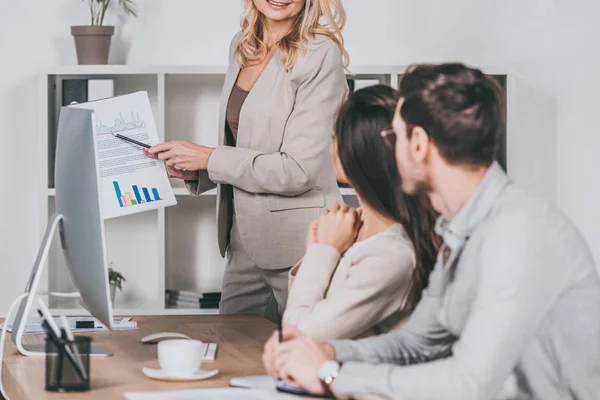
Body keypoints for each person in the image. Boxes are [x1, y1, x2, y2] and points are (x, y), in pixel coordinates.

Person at [263, 63, 600, 399]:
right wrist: (323, 353)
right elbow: (416, 343)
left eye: (394, 137)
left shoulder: (517, 234)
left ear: (419, 144)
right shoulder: (459, 231)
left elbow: (469, 385)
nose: (390, 152)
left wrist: (330, 374)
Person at [145, 0, 350, 323]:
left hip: (300, 243)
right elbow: (250, 143)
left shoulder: (321, 53)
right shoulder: (242, 45)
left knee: (307, 350)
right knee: (232, 351)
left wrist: (210, 157)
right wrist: (201, 169)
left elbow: (297, 170)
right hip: (242, 237)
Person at [283, 85, 440, 341]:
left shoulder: (391, 256)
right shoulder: (350, 228)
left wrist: (322, 252)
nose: (331, 148)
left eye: (335, 138)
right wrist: (322, 249)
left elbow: (298, 334)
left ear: (356, 154)